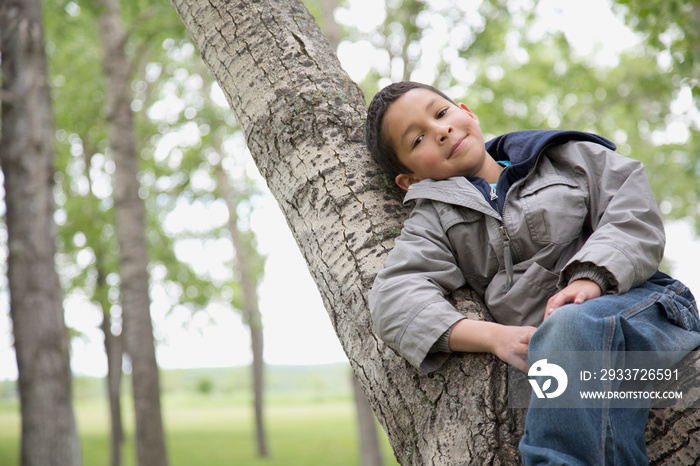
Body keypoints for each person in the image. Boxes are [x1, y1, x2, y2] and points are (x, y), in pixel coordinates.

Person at [365, 81, 700, 464]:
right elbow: (394, 297)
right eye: (418, 139)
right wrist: (492, 336)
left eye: (441, 114)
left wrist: (591, 276)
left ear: (467, 112)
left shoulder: (564, 157)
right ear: (410, 181)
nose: (441, 131)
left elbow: (632, 211)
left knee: (571, 328)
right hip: (571, 358)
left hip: (645, 310)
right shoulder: (434, 221)